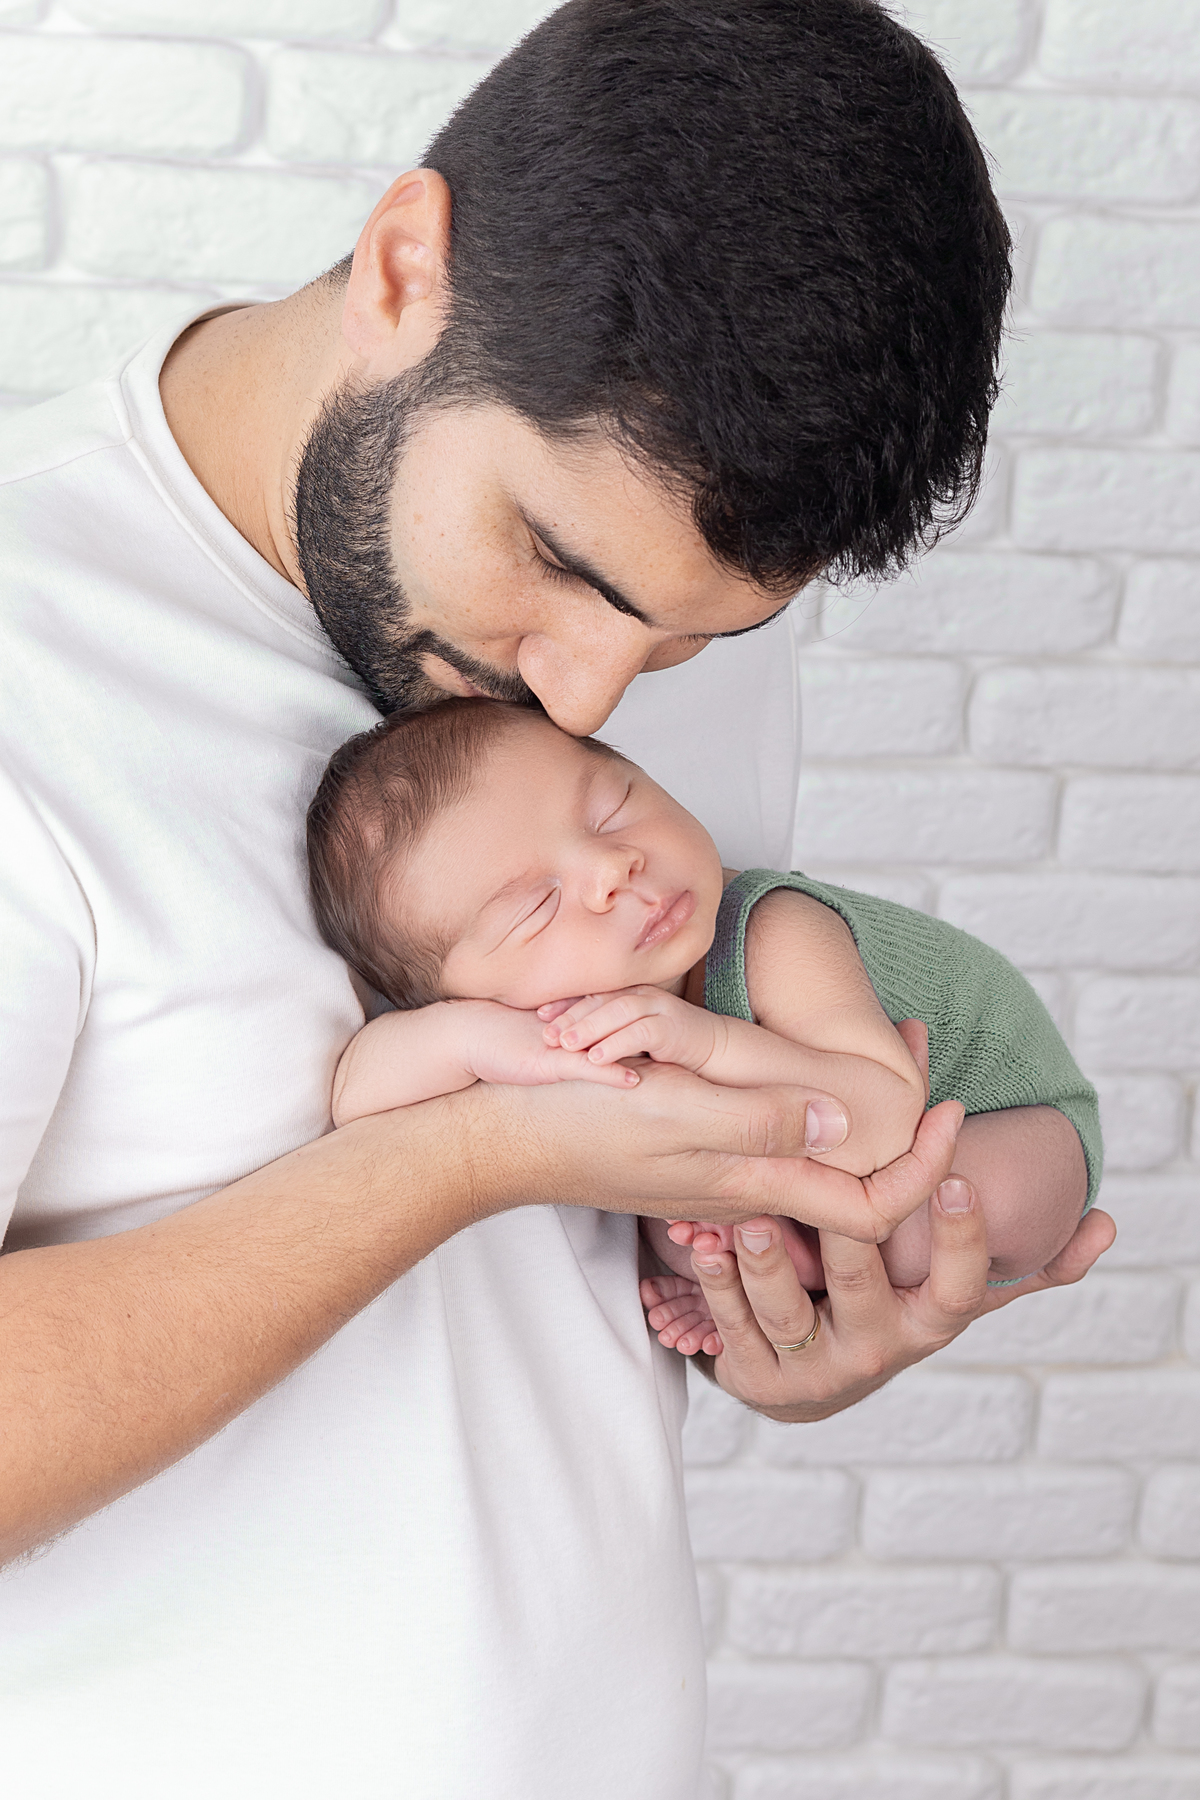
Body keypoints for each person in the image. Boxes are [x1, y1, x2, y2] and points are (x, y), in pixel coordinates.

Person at [0, 2, 1114, 1794]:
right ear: (400, 262)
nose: (593, 696)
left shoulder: (650, 597)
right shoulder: (30, 656)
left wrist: (791, 1331)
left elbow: (581, 1291)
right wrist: (467, 1154)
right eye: (559, 563)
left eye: (690, 639)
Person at [309, 698, 1101, 1358]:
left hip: (1005, 1123)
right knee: (675, 1225)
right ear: (467, 989)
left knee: (948, 1208)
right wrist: (474, 1038)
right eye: (536, 907)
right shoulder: (538, 1015)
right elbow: (358, 1094)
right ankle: (786, 1277)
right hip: (830, 1188)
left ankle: (810, 1272)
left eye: (612, 805)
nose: (613, 866)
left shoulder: (772, 932)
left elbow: (890, 1129)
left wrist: (706, 1040)